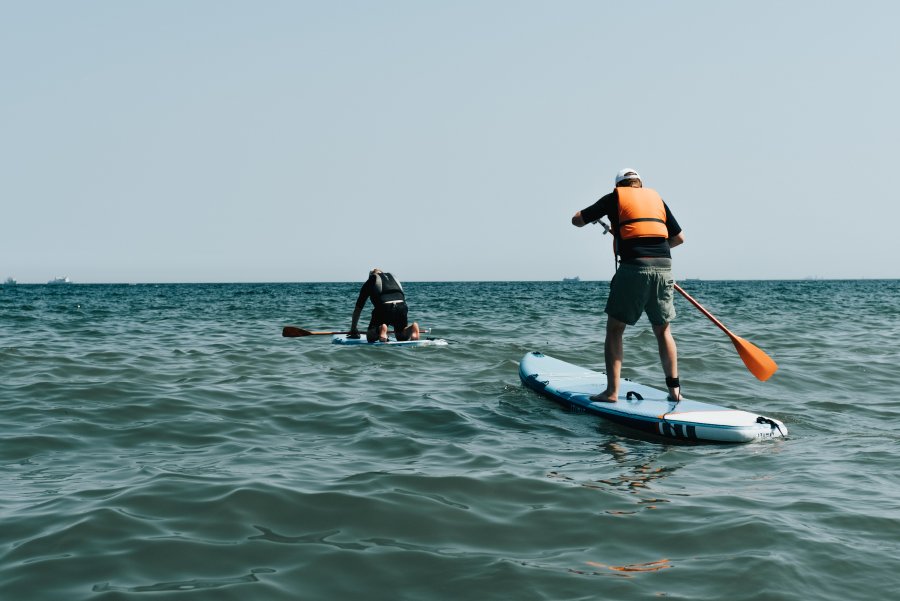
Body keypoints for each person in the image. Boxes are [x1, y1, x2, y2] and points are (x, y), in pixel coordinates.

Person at [571, 168, 685, 402]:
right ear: (639, 184)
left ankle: (612, 392)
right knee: (663, 330)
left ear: (620, 185)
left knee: (615, 330)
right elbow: (678, 238)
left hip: (634, 267)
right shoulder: (657, 200)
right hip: (664, 267)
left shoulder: (615, 198)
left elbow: (577, 220)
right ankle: (674, 391)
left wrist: (634, 247)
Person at [349, 269, 420, 343]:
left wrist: (353, 329)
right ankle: (412, 328)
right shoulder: (393, 278)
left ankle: (381, 329)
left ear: (371, 275)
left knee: (370, 337)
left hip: (384, 307)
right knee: (401, 336)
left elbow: (358, 309)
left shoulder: (372, 279)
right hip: (401, 306)